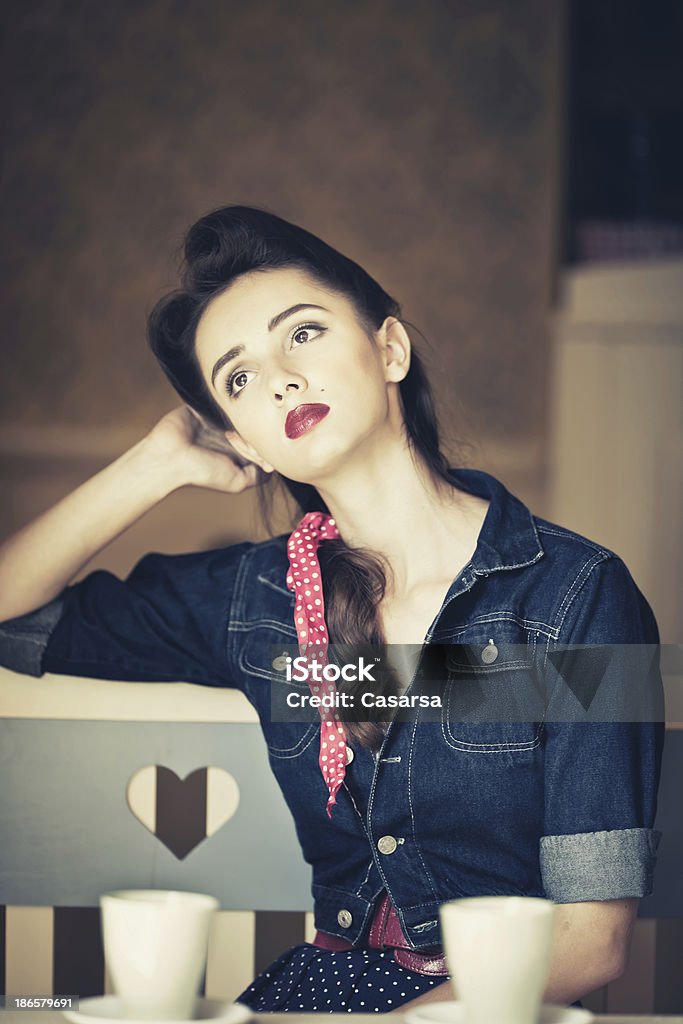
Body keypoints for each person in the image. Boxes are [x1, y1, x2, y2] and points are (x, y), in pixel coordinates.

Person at [0, 205, 664, 1013]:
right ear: (242, 437)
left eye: (302, 334)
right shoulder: (260, 601)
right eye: (237, 378)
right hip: (316, 992)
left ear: (389, 349)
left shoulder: (574, 593)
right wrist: (153, 464)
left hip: (489, 1009)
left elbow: (590, 941)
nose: (277, 377)